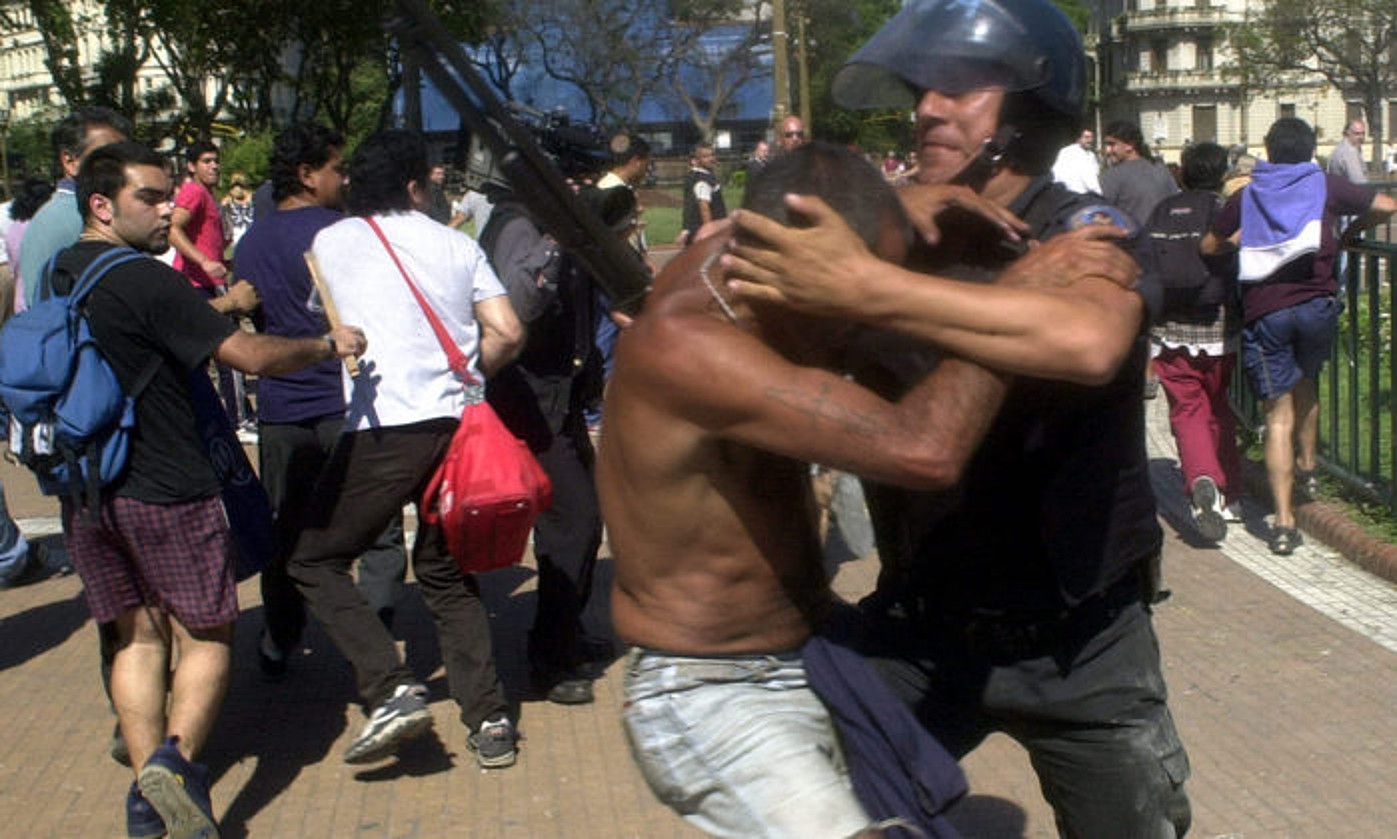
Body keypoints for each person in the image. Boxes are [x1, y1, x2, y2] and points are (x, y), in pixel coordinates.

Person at [723, 1, 1192, 834]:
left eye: (960, 89)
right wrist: (881, 222)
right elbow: (725, 291)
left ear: (1028, 111)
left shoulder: (1083, 229)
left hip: (1080, 644)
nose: (927, 108)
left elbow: (1087, 342)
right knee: (796, 799)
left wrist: (868, 291)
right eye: (921, 90)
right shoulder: (890, 233)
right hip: (921, 624)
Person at [56, 139, 365, 839]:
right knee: (207, 633)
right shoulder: (146, 280)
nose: (170, 210)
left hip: (89, 487)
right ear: (102, 204)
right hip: (169, 483)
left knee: (135, 637)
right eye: (151, 197)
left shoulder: (62, 271)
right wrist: (327, 344)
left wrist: (218, 303)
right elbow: (251, 356)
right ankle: (175, 762)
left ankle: (150, 799)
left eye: (170, 195)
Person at [287, 129, 526, 769]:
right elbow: (506, 328)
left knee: (315, 559)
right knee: (448, 575)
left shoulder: (331, 242)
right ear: (416, 186)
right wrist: (472, 379)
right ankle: (491, 718)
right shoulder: (455, 243)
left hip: (384, 426)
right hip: (458, 424)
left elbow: (329, 317)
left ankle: (388, 686)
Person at [231, 122, 409, 680]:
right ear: (307, 175)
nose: (344, 177)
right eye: (336, 167)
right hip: (346, 404)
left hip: (282, 410)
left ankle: (282, 636)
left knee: (288, 531)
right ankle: (372, 638)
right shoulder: (345, 232)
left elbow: (253, 321)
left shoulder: (252, 241)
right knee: (377, 528)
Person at [1203, 117, 1395, 555]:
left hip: (1266, 310)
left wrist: (1244, 243)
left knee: (1277, 416)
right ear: (1312, 149)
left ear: (1268, 150)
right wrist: (1349, 233)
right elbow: (1385, 204)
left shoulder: (1250, 193)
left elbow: (1209, 246)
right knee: (1307, 378)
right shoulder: (1324, 185)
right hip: (1316, 306)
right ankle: (1308, 465)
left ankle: (1285, 523)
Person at [478, 186, 618, 706]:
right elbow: (520, 306)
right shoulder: (518, 226)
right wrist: (555, 243)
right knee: (573, 522)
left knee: (580, 521)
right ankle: (548, 656)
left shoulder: (543, 225)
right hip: (530, 403)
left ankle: (567, 633)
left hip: (562, 398)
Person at [1146, 141, 1243, 543]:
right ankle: (1229, 494)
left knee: (1187, 411)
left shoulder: (1162, 210)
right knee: (1219, 406)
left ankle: (1201, 478)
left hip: (1171, 327)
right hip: (1219, 324)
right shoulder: (1223, 210)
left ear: (1182, 173)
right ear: (1223, 175)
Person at [19, 107, 132, 311]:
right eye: (107, 156)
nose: (123, 165)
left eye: (124, 153)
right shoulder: (74, 216)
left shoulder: (70, 211)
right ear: (70, 161)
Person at [1100, 119, 1179, 227]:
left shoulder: (1113, 176)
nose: (1108, 150)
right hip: (1165, 238)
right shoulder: (1160, 169)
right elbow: (1176, 204)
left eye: (1112, 144)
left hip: (1132, 240)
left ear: (1130, 145)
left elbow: (1101, 215)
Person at [4, 177, 55, 315]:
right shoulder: (40, 227)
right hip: (40, 298)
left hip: (20, 297)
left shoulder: (14, 228)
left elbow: (14, 267)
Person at [680, 142, 725, 247]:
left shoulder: (697, 176)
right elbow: (704, 208)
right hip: (703, 234)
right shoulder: (702, 181)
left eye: (712, 155)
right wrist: (710, 233)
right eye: (705, 156)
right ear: (697, 160)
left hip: (697, 232)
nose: (711, 158)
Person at [1052, 128, 1101, 195]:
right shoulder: (1067, 152)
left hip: (1085, 195)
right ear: (1079, 139)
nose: (1090, 140)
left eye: (1092, 137)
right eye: (1086, 137)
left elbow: (1095, 174)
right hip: (1071, 194)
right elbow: (1056, 173)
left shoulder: (1091, 155)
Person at [219, 171, 255, 248]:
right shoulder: (226, 203)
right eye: (235, 186)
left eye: (240, 185)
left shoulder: (254, 199)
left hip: (253, 238)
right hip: (235, 241)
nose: (237, 188)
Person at [1326, 119, 1367, 184]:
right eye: (1357, 134)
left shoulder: (1340, 148)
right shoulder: (1349, 152)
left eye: (1363, 133)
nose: (1361, 137)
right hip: (1348, 193)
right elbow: (1359, 182)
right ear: (1348, 133)